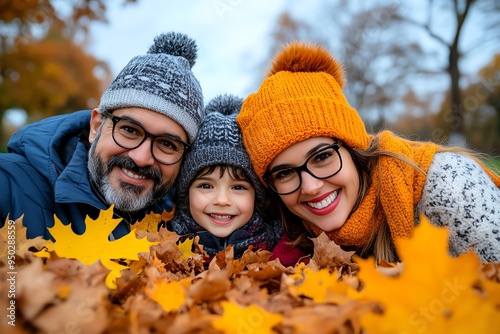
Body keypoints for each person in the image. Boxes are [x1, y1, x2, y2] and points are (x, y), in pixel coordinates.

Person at [236, 41, 500, 263]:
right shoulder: (293, 236)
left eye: (322, 156)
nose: (311, 186)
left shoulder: (448, 186)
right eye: (284, 173)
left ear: (353, 149)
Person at [0, 31, 204, 240]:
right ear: (96, 126)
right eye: (130, 130)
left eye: (167, 144)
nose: (141, 158)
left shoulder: (188, 228)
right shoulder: (6, 185)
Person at [168, 94, 305, 267]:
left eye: (238, 187)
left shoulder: (286, 252)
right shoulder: (164, 246)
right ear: (186, 192)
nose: (222, 200)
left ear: (257, 195)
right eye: (206, 185)